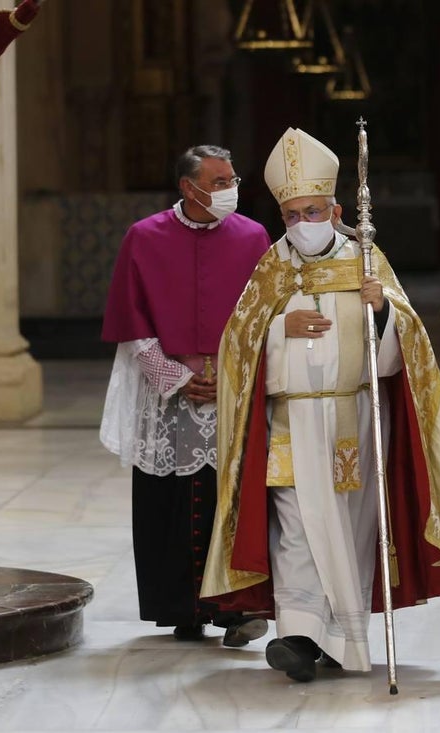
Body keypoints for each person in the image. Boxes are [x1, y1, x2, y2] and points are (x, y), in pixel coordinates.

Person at [200, 128, 440, 683]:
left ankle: (339, 640)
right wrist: (279, 328)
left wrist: (382, 315)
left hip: (357, 420)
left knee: (348, 533)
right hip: (291, 422)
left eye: (314, 211)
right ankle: (298, 638)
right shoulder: (272, 268)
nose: (303, 223)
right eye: (293, 214)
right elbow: (237, 345)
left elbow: (408, 353)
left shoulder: (367, 260)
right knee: (297, 528)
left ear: (337, 208)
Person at [100, 145, 272, 645]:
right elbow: (131, 320)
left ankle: (236, 609)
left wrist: (232, 374)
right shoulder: (143, 237)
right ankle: (181, 607)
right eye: (218, 181)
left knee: (232, 497)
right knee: (170, 499)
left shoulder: (253, 235)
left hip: (232, 389)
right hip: (168, 389)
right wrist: (174, 376)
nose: (229, 190)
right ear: (187, 187)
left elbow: (264, 315)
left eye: (232, 179)